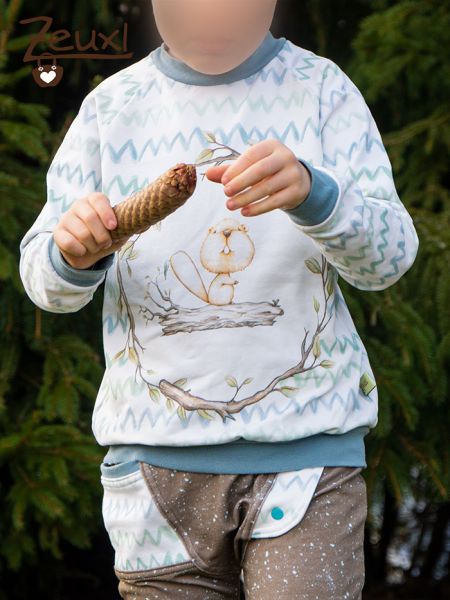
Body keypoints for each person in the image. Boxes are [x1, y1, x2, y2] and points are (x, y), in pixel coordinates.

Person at [18, 0, 419, 597]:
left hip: (305, 461)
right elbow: (44, 284)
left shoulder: (321, 91)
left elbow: (389, 259)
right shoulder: (111, 109)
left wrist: (316, 195)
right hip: (153, 471)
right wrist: (71, 252)